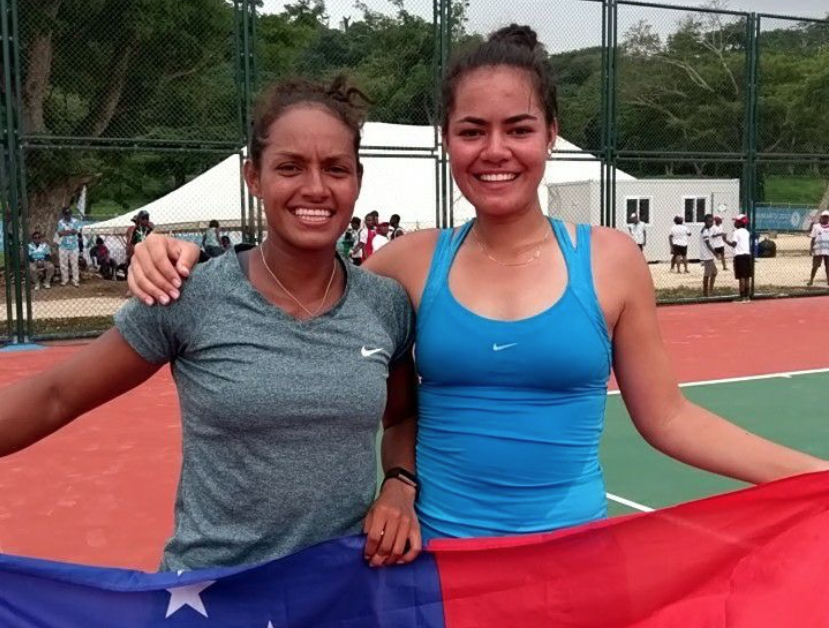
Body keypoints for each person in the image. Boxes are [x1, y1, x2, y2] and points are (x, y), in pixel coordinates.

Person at [128, 25, 828, 545]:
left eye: (518, 128)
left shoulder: (609, 260)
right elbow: (295, 295)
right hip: (435, 562)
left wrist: (811, 478)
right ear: (446, 141)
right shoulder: (406, 263)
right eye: (472, 130)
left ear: (550, 134)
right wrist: (178, 255)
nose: (494, 151)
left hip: (570, 554)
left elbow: (668, 417)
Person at [0, 77, 422, 571]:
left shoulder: (385, 305)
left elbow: (400, 417)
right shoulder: (189, 294)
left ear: (357, 180)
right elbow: (57, 394)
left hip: (336, 592)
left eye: (336, 169)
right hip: (210, 595)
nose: (315, 187)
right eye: (289, 167)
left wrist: (398, 480)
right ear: (254, 177)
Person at [722, 214, 753, 302]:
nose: (734, 223)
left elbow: (734, 244)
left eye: (736, 221)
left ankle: (742, 296)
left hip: (739, 256)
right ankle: (747, 297)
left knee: (741, 277)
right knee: (747, 276)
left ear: (740, 223)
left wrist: (725, 240)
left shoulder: (736, 232)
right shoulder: (746, 232)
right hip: (747, 255)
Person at [55, 207, 82, 287]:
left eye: (69, 214)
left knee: (74, 264)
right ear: (63, 214)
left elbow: (75, 232)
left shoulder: (75, 221)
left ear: (71, 214)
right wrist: (70, 231)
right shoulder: (60, 222)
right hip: (63, 246)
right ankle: (65, 280)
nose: (68, 216)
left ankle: (75, 280)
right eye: (66, 214)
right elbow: (60, 233)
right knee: (63, 264)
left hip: (74, 246)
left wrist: (66, 232)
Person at [807, 210, 829, 287]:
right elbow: (812, 239)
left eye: (827, 217)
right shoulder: (816, 227)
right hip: (818, 250)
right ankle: (811, 280)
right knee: (815, 266)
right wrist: (811, 249)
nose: (825, 218)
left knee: (828, 266)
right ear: (821, 217)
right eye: (824, 217)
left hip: (828, 251)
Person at [699, 214, 718, 297]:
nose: (712, 223)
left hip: (709, 255)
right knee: (707, 275)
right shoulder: (705, 231)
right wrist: (715, 253)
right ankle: (705, 293)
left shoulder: (708, 229)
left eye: (712, 221)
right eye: (710, 221)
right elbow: (708, 244)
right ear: (705, 222)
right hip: (707, 256)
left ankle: (710, 291)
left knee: (714, 272)